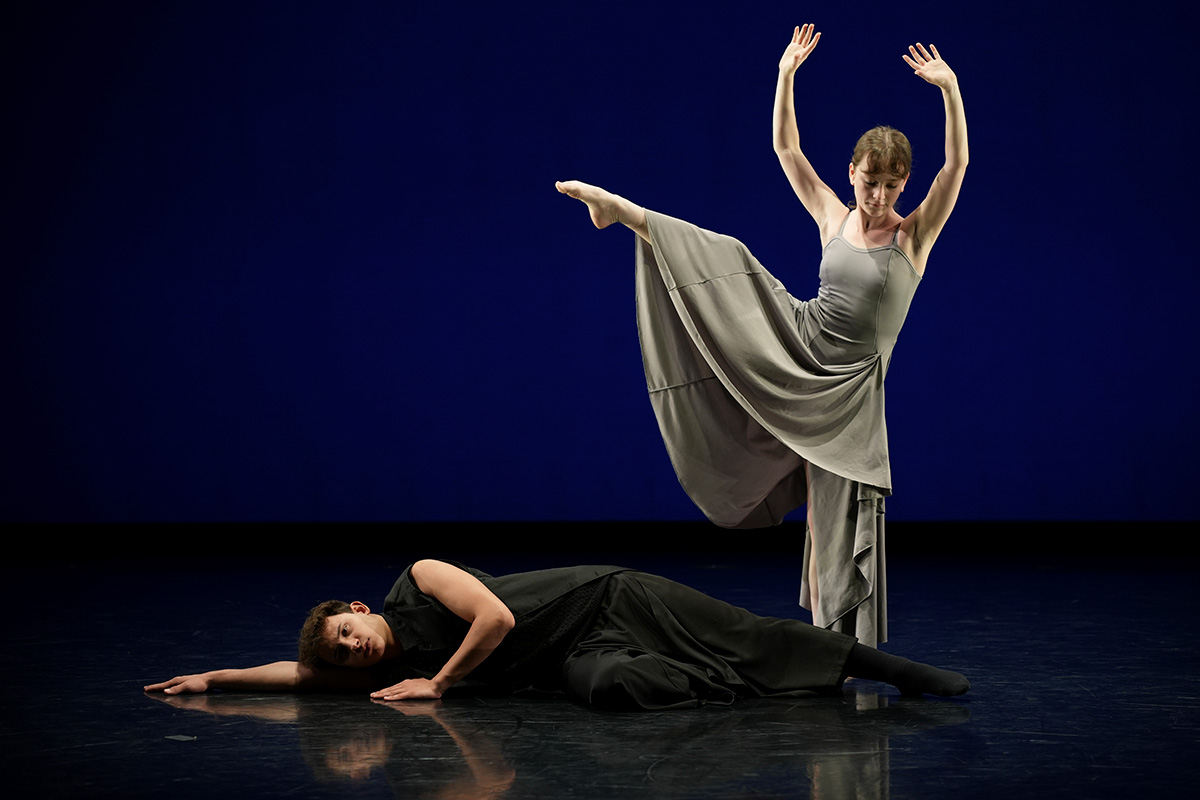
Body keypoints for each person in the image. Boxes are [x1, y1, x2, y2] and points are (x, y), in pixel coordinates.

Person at [555, 25, 968, 647]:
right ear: (851, 172)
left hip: (849, 392)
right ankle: (626, 213)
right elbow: (785, 150)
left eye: (891, 186)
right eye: (868, 182)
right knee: (728, 260)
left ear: (904, 185)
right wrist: (785, 74)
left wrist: (951, 90)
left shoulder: (914, 237)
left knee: (839, 523)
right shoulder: (834, 216)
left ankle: (842, 649)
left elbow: (957, 164)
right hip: (798, 343)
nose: (879, 196)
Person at [146, 559, 970, 711]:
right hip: (583, 654)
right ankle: (723, 688)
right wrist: (212, 680)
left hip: (607, 598)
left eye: (345, 634)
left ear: (359, 611)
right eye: (341, 654)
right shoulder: (360, 674)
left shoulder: (419, 579)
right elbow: (293, 678)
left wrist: (440, 683)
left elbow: (498, 618)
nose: (349, 650)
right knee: (609, 691)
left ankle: (889, 668)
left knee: (746, 634)